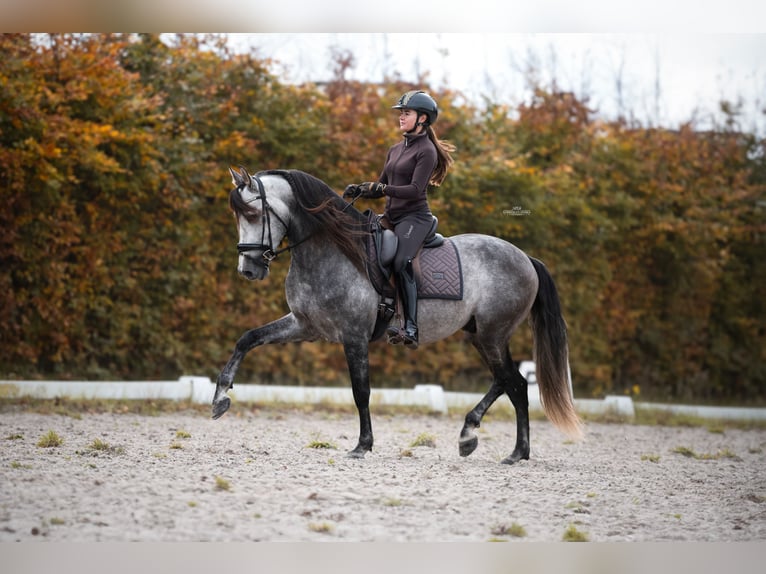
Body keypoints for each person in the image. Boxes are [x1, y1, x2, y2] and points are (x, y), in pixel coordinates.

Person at [345, 90, 455, 349]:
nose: (401, 117)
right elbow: (382, 184)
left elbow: (415, 190)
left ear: (422, 119)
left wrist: (382, 190)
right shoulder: (395, 150)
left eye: (406, 113)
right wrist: (362, 189)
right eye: (401, 113)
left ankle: (411, 328)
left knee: (402, 260)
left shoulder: (426, 151)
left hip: (414, 218)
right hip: (392, 217)